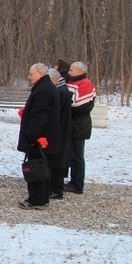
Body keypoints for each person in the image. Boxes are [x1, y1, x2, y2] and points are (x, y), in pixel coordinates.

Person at [17, 63, 61, 210]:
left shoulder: (43, 90)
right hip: (45, 138)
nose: (29, 77)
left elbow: (40, 115)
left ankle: (36, 200)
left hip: (40, 139)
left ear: (40, 73)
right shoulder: (47, 87)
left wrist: (33, 136)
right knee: (44, 167)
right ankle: (42, 197)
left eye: (31, 74)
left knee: (36, 168)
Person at [64, 61, 96, 194]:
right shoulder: (73, 82)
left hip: (79, 125)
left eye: (72, 70)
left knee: (77, 155)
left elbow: (80, 106)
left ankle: (77, 184)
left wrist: (65, 108)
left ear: (79, 71)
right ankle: (73, 180)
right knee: (72, 155)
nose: (69, 72)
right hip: (72, 124)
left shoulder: (85, 84)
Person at [48, 68, 72, 199]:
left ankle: (56, 189)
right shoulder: (62, 90)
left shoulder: (61, 92)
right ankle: (55, 187)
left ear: (53, 79)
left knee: (58, 161)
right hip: (62, 130)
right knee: (58, 160)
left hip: (60, 131)